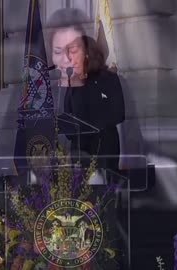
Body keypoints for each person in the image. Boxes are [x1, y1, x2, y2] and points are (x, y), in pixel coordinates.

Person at [47, 8, 125, 172]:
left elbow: (119, 114)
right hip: (79, 152)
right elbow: (68, 115)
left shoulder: (108, 79)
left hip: (104, 149)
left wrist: (92, 126)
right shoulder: (72, 83)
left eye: (74, 52)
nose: (70, 59)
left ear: (88, 55)